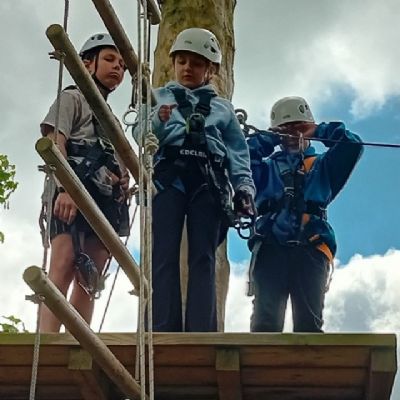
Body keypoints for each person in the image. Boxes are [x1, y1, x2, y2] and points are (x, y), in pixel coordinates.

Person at [133, 27, 255, 332]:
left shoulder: (222, 109)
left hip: (207, 179)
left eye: (197, 63)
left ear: (210, 70)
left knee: (203, 256)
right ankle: (162, 326)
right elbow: (139, 134)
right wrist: (158, 120)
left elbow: (237, 152)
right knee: (163, 252)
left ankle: (202, 328)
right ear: (174, 62)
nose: (187, 68)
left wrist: (243, 188)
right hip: (169, 177)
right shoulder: (158, 97)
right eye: (182, 61)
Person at [247, 96, 363, 332]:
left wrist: (319, 131)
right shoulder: (266, 168)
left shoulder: (323, 167)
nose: (293, 135)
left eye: (298, 128)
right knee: (265, 322)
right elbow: (241, 157)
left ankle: (308, 357)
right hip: (270, 245)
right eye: (286, 129)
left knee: (308, 323)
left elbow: (351, 146)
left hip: (311, 245)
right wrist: (268, 139)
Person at [39, 33, 129, 332]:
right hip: (74, 184)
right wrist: (64, 188)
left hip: (104, 195)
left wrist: (123, 181)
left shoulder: (112, 122)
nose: (117, 67)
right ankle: (48, 340)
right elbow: (55, 141)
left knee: (91, 276)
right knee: (64, 261)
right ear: (88, 63)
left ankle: (79, 342)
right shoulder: (72, 98)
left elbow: (120, 164)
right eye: (110, 59)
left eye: (122, 65)